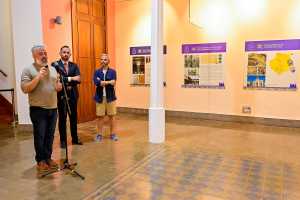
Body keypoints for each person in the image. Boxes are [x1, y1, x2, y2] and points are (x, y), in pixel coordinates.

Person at [21, 45, 62, 173]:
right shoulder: (28, 70)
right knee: (40, 136)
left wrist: (58, 86)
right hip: (38, 109)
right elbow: (25, 89)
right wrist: (38, 76)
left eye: (45, 52)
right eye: (40, 53)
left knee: (50, 135)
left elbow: (56, 85)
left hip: (53, 107)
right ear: (34, 55)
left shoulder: (53, 69)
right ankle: (40, 160)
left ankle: (48, 158)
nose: (44, 55)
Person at [52, 45, 82, 148]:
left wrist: (66, 79)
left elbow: (78, 79)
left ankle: (75, 139)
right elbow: (55, 79)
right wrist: (71, 79)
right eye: (64, 52)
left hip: (73, 95)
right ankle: (63, 141)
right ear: (60, 53)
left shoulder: (74, 65)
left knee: (73, 118)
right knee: (62, 119)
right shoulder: (55, 65)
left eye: (67, 52)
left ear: (70, 54)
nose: (65, 54)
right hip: (61, 96)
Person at [93, 53, 118, 141]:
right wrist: (107, 82)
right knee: (100, 117)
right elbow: (96, 83)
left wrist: (103, 82)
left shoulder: (113, 72)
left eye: (105, 59)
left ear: (108, 61)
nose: (103, 61)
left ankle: (113, 134)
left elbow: (113, 82)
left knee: (112, 116)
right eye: (102, 59)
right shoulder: (96, 72)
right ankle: (99, 134)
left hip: (110, 97)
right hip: (100, 97)